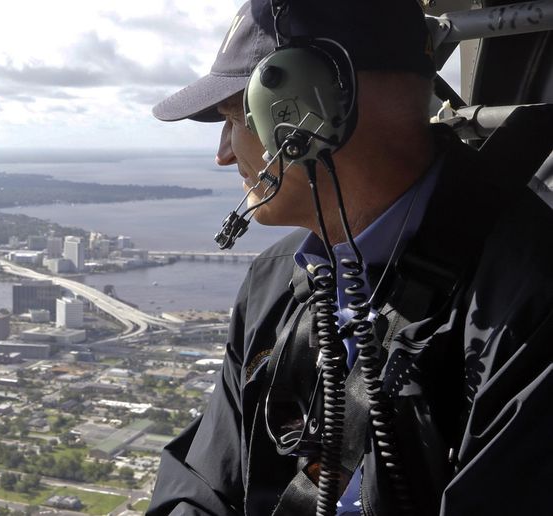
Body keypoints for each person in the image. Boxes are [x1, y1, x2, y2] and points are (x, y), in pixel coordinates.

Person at [146, 1, 553, 515]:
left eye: (235, 118)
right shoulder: (275, 281)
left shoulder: (529, 301)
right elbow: (204, 482)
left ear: (312, 113)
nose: (224, 153)